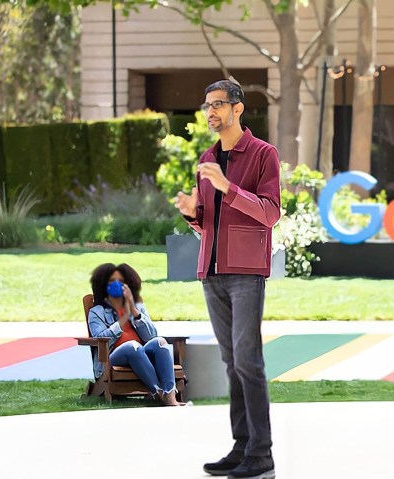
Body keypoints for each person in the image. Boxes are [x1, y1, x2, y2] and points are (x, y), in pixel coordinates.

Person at [174, 78, 280, 479]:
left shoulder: (263, 155)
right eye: (206, 106)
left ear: (238, 108)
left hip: (246, 274)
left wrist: (226, 187)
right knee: (232, 362)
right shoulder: (207, 157)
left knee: (249, 362)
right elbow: (208, 225)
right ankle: (242, 447)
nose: (211, 112)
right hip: (212, 273)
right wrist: (191, 213)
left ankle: (262, 454)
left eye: (218, 104)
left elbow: (270, 213)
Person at [88, 262, 183, 407]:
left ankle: (170, 396)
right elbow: (100, 339)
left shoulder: (137, 307)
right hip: (112, 358)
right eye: (112, 281)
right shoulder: (97, 312)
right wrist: (124, 317)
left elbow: (151, 336)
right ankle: (158, 392)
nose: (117, 285)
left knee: (160, 342)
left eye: (121, 281)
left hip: (141, 355)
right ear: (103, 285)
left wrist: (133, 311)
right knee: (133, 346)